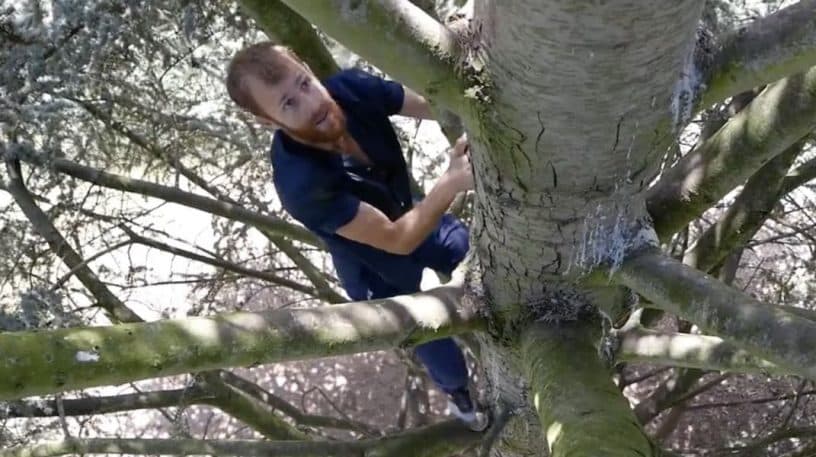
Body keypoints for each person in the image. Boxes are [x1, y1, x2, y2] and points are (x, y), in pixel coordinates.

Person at [225, 42, 487, 431]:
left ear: (309, 69)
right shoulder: (301, 184)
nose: (311, 104)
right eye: (288, 105)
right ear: (267, 121)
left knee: (477, 253)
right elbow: (397, 240)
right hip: (376, 268)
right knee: (433, 339)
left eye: (305, 84)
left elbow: (437, 106)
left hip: (412, 213)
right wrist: (450, 183)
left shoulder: (351, 88)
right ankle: (461, 397)